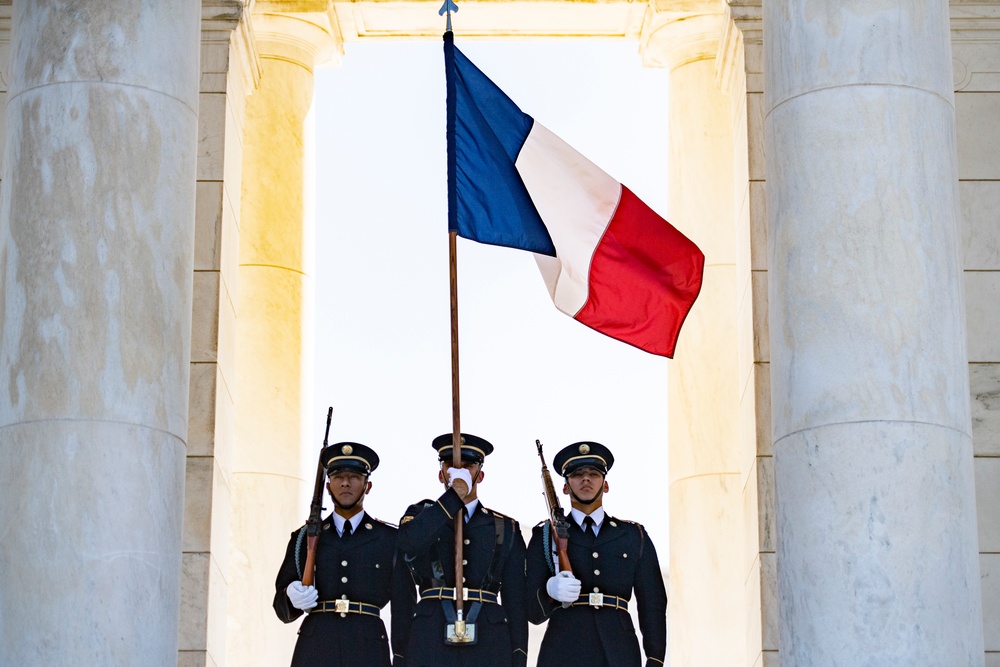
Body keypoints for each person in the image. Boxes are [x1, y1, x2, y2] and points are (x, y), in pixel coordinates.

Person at [525, 441, 667, 667]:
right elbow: (532, 612)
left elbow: (653, 604)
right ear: (565, 487)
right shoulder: (545, 535)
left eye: (593, 473)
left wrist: (655, 659)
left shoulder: (633, 535)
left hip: (619, 653)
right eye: (577, 474)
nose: (586, 479)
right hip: (563, 652)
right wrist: (550, 591)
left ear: (606, 484)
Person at [393, 433, 528, 667]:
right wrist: (452, 497)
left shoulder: (505, 528)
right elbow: (408, 544)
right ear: (441, 474)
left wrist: (518, 657)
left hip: (489, 643)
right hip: (429, 641)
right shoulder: (421, 515)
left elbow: (515, 603)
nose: (460, 472)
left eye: (468, 466)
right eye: (451, 466)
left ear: (480, 475)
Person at [273, 441, 413, 666]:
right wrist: (291, 596)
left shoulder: (390, 540)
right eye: (338, 477)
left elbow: (403, 610)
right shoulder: (303, 538)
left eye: (355, 477)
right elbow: (281, 609)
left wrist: (402, 660)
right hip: (316, 648)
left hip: (368, 650)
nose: (346, 483)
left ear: (368, 486)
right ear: (328, 486)